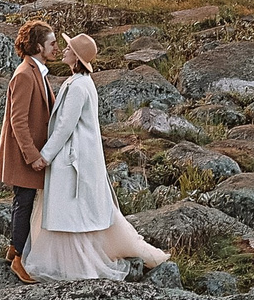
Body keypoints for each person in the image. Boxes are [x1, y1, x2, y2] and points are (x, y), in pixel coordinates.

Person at [25, 33, 170, 283]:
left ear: (77, 56)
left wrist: (44, 156)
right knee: (76, 213)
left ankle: (77, 268)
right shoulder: (79, 82)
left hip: (73, 159)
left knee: (72, 214)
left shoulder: (80, 86)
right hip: (76, 157)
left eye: (68, 48)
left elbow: (65, 127)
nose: (63, 50)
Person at [0, 18, 58, 284]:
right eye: (51, 43)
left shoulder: (37, 71)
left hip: (28, 153)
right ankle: (19, 259)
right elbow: (17, 120)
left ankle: (13, 249)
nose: (56, 47)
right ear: (38, 46)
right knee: (24, 203)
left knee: (23, 200)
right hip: (24, 155)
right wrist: (33, 156)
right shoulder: (24, 75)